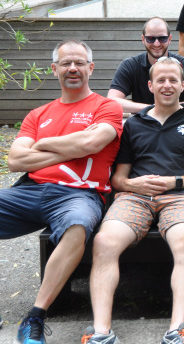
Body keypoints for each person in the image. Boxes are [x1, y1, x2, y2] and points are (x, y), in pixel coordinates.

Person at [83, 57, 184, 344]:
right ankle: (101, 332)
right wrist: (133, 184)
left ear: (183, 86)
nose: (167, 85)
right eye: (160, 80)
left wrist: (175, 182)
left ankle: (176, 329)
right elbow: (118, 179)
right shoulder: (134, 125)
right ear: (150, 85)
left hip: (180, 197)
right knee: (104, 242)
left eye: (173, 80)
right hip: (135, 197)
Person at [5, 40, 122, 344]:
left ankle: (35, 317)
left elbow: (91, 143)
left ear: (90, 68)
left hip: (78, 195)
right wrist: (72, 148)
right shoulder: (38, 114)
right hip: (30, 191)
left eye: (79, 63)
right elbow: (15, 160)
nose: (73, 68)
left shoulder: (106, 107)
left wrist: (42, 144)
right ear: (54, 69)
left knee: (77, 226)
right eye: (66, 63)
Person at [108, 17, 184, 114]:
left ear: (169, 39)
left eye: (162, 38)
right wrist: (152, 109)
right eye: (150, 38)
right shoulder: (130, 66)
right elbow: (112, 101)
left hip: (179, 120)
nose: (156, 44)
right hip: (143, 121)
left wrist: (168, 109)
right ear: (143, 39)